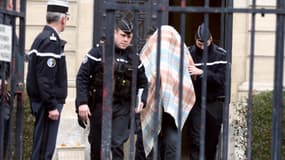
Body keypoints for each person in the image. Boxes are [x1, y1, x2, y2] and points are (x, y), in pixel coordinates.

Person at [75, 17, 148, 160]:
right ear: (114, 33)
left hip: (122, 107)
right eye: (123, 35)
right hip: (99, 105)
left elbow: (143, 82)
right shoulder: (98, 52)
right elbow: (82, 77)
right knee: (97, 146)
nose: (126, 40)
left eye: (129, 37)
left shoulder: (134, 58)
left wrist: (142, 100)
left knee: (116, 145)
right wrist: (82, 102)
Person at [139, 25, 196, 159]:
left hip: (161, 103)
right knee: (165, 140)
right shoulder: (179, 50)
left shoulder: (162, 51)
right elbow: (191, 72)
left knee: (162, 140)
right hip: (167, 102)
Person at [26, 0, 69, 159]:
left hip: (44, 102)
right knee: (44, 149)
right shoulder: (50, 41)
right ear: (63, 19)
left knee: (42, 147)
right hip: (47, 105)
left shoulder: (42, 38)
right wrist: (51, 105)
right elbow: (45, 78)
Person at [187, 23, 227, 160]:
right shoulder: (188, 53)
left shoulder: (221, 54)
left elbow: (222, 79)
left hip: (214, 103)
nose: (203, 45)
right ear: (195, 39)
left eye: (206, 42)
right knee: (195, 140)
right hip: (196, 102)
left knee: (212, 142)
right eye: (200, 42)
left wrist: (203, 72)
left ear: (211, 39)